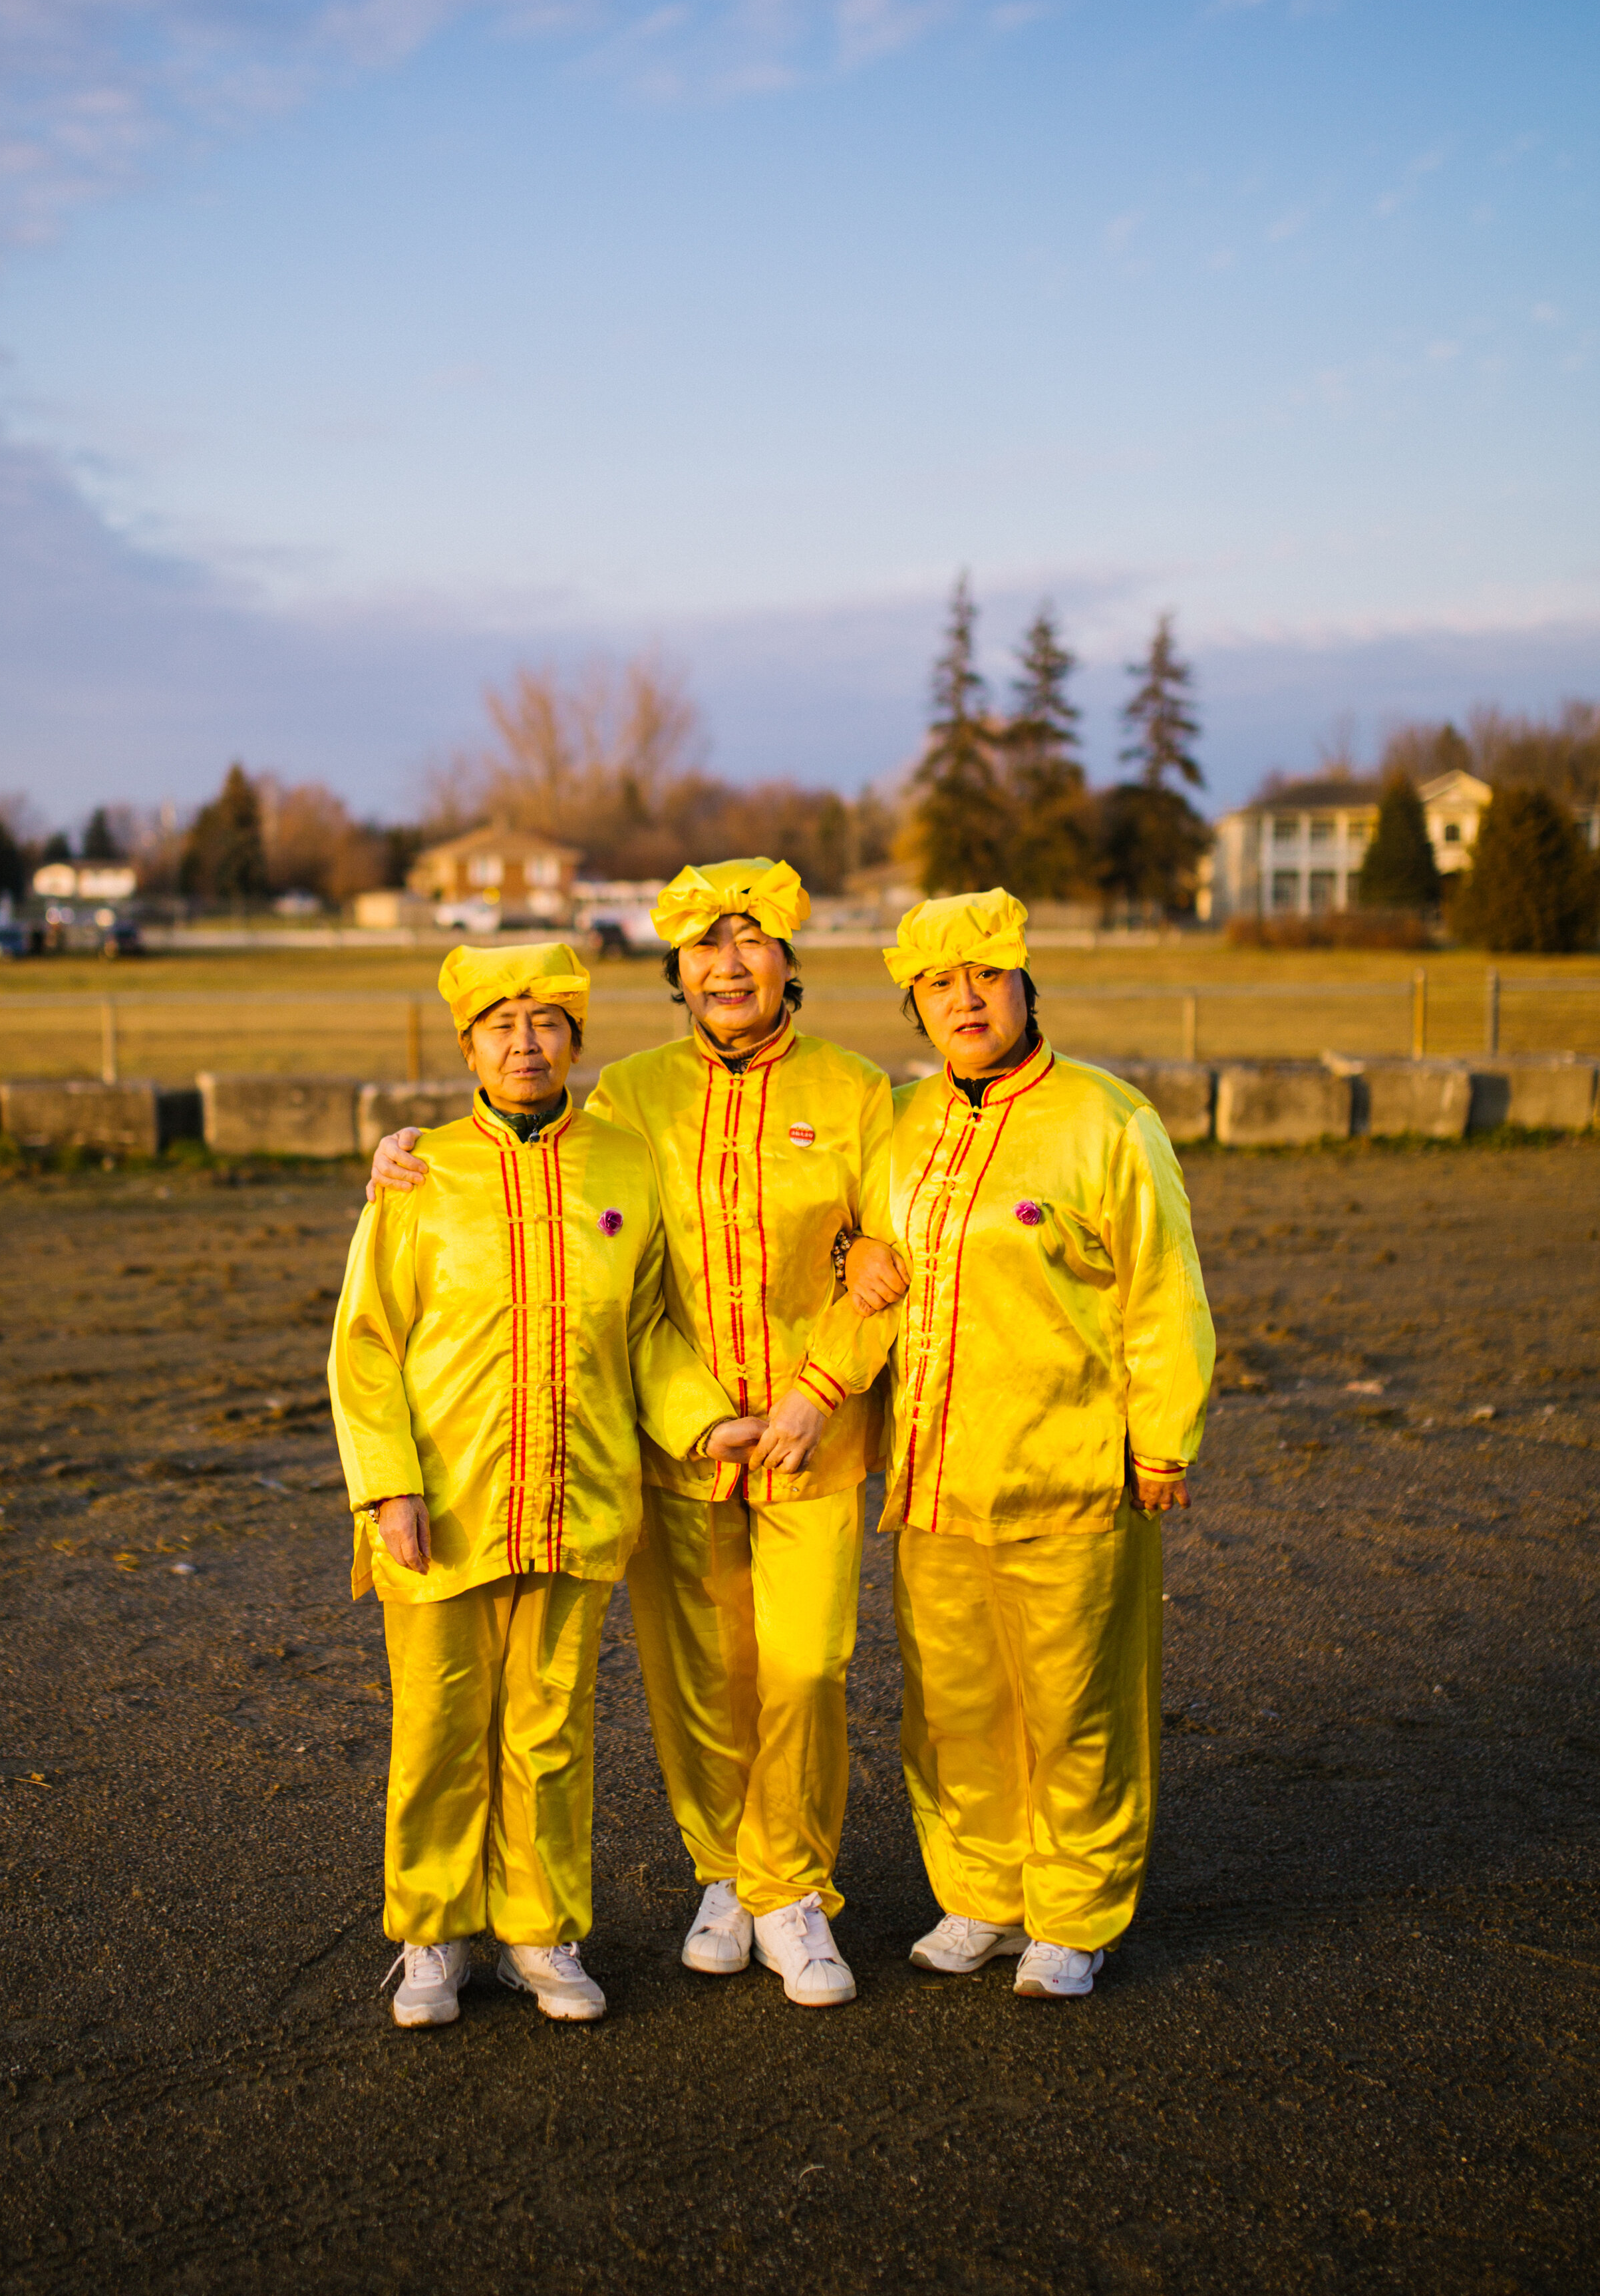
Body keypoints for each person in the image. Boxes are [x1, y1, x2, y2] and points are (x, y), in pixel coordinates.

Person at [369, 859, 906, 2008]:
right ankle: (723, 1871)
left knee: (806, 1668)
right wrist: (395, 1157)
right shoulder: (625, 1100)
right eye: (704, 947)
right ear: (673, 971)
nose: (728, 963)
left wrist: (818, 1384)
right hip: (673, 1454)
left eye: (751, 940)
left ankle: (789, 1889)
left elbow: (893, 1261)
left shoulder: (862, 1093)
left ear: (789, 961)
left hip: (809, 1431)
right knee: (698, 1680)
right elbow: (549, 1221)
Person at [329, 942, 757, 2031]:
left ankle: (538, 1928)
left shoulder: (622, 1164)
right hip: (447, 1504)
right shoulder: (421, 1171)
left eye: (547, 1021)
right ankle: (431, 1934)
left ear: (577, 1035)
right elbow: (367, 1344)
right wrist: (388, 1487)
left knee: (551, 1727)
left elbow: (651, 1328)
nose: (525, 1043)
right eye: (502, 1024)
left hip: (579, 1495)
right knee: (436, 1726)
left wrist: (705, 1418)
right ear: (467, 1042)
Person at [816, 889, 1215, 2001]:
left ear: (1029, 984)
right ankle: (981, 1896)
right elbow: (844, 1239)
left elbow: (1162, 1290)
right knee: (954, 1708)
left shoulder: (1107, 1120)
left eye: (986, 976)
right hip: (936, 1483)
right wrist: (851, 1248)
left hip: (1070, 1477)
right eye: (939, 985)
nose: (966, 999)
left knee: (1077, 1706)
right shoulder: (896, 1123)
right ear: (915, 1007)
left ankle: (1075, 1911)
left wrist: (1162, 1436)